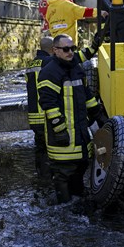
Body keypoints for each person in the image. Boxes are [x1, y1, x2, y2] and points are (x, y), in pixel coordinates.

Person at [38, 34, 108, 204]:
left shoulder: (75, 68)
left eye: (73, 48)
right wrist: (60, 130)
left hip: (79, 132)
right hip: (62, 136)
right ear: (55, 51)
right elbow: (49, 104)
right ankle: (64, 209)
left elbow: (86, 94)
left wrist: (98, 115)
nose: (71, 52)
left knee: (81, 165)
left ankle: (77, 201)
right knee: (63, 173)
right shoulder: (49, 72)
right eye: (66, 49)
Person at [25, 36, 54, 180]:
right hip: (46, 112)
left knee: (40, 147)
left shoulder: (31, 63)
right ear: (52, 48)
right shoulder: (50, 62)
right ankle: (49, 179)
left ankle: (41, 176)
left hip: (34, 113)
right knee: (51, 148)